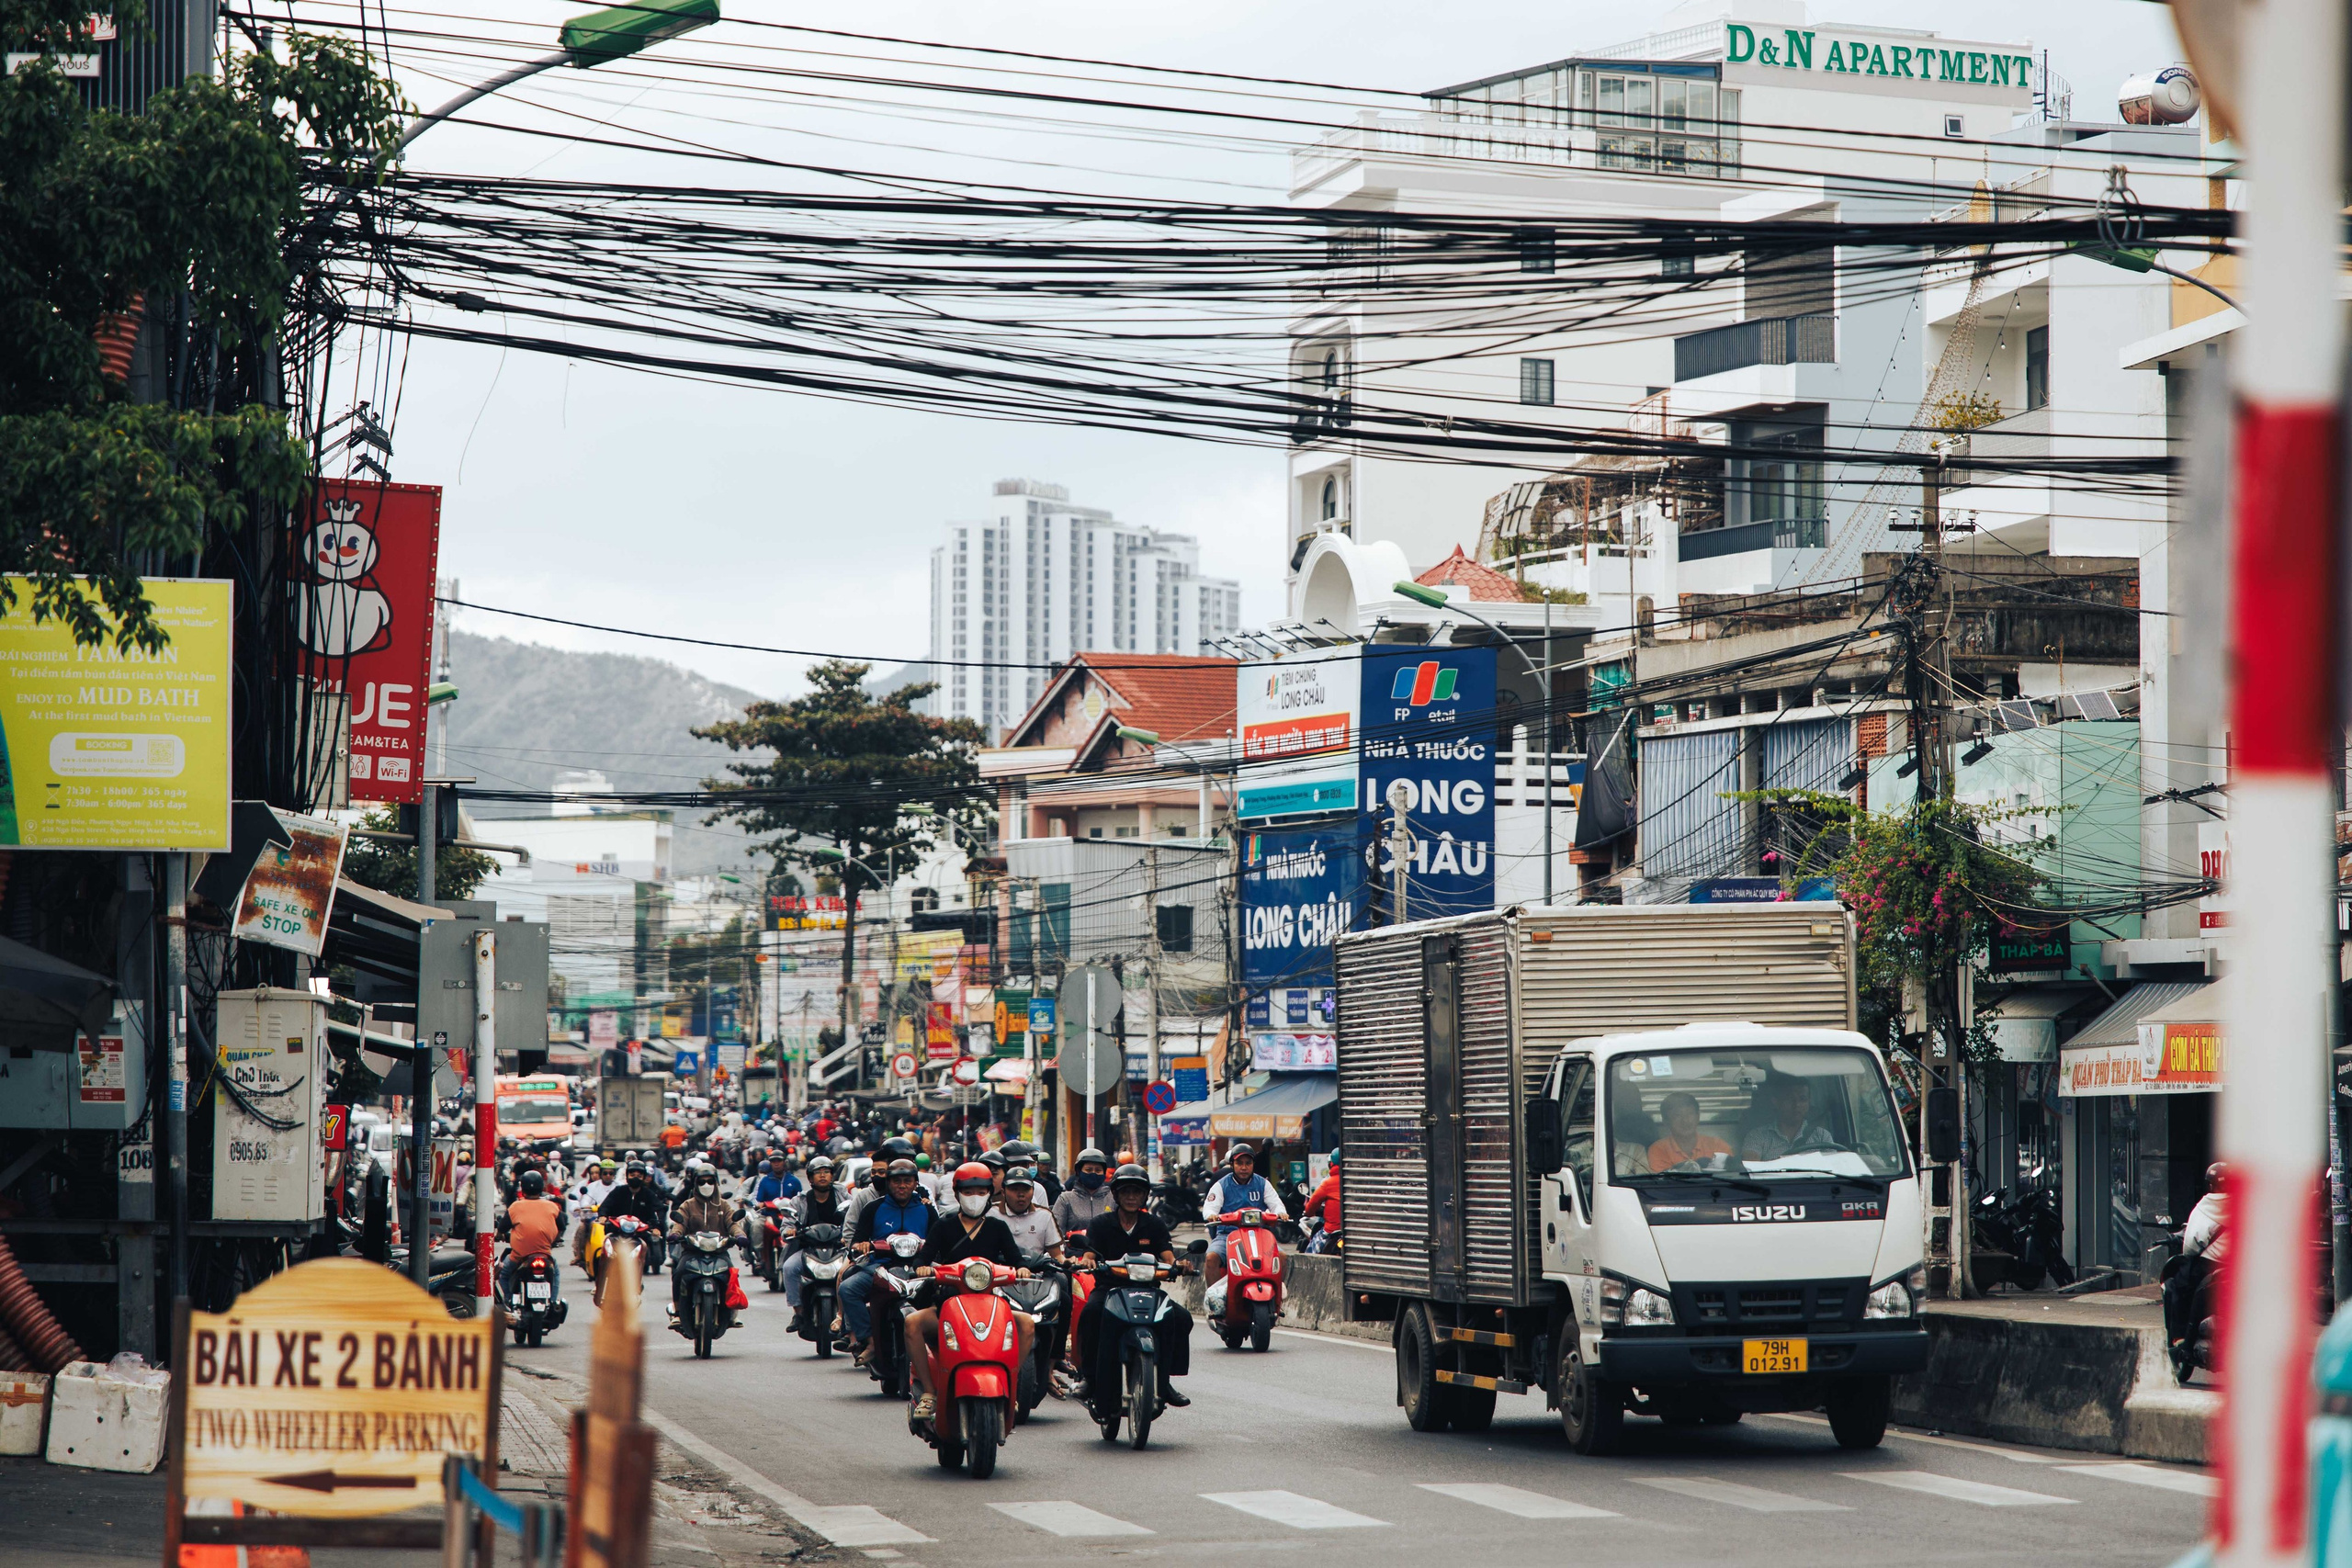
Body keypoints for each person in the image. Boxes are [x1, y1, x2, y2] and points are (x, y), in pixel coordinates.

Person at [903, 1162, 1034, 1421]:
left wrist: (1021, 1269)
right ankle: (929, 1392)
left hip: (990, 1306)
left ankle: (1011, 1386)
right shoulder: (943, 1226)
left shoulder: (997, 1227)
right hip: (947, 1303)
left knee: (1027, 1324)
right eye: (969, 1191)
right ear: (957, 1193)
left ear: (990, 1194)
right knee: (912, 1324)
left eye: (981, 1192)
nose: (975, 1197)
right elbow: (922, 1259)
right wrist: (922, 1268)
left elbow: (1016, 1259)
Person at [1072, 1165, 1192, 1406]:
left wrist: (1179, 1265)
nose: (1131, 1197)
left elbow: (1168, 1257)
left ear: (1144, 1196)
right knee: (1090, 1314)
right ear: (1116, 1195)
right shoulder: (1101, 1224)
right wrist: (1087, 1261)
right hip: (1109, 1290)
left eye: (1137, 1192)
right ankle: (1089, 1378)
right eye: (1125, 1191)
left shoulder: (1154, 1224)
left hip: (1149, 1290)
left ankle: (1164, 1380)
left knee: (1181, 1318)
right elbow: (1088, 1255)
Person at [841, 1159, 935, 1360]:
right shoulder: (873, 1208)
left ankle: (939, 1344)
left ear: (915, 1183)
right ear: (888, 1183)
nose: (902, 1186)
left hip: (919, 1269)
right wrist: (861, 1246)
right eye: (896, 1181)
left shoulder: (927, 1209)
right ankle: (870, 1341)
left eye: (907, 1181)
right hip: (879, 1267)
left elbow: (939, 1243)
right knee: (847, 1289)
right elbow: (856, 1241)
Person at [1203, 1144, 1289, 1287]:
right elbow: (1209, 1207)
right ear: (1232, 1164)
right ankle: (1214, 1297)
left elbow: (1276, 1204)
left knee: (1282, 1257)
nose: (1244, 1167)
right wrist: (1212, 1215)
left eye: (1248, 1163)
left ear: (1253, 1164)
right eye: (1239, 1163)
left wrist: (1281, 1213)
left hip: (1259, 1235)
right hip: (1228, 1235)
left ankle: (1276, 1296)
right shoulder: (1221, 1185)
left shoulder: (1263, 1184)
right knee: (1211, 1258)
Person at [781, 1156, 850, 1334]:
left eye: (826, 1172)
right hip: (808, 1249)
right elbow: (787, 1223)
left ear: (832, 1175)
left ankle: (850, 1316)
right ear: (810, 1178)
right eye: (818, 1173)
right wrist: (789, 1231)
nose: (822, 1176)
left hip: (839, 1248)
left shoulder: (843, 1196)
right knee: (789, 1268)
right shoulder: (800, 1200)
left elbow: (854, 1217)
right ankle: (798, 1312)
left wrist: (850, 1235)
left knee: (854, 1272)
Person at [665, 1165, 744, 1317]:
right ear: (695, 1184)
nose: (706, 1185)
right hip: (692, 1251)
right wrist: (675, 1234)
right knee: (679, 1273)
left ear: (716, 1183)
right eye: (702, 1182)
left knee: (732, 1274)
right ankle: (677, 1312)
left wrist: (740, 1236)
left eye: (710, 1181)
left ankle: (731, 1312)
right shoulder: (688, 1205)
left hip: (719, 1251)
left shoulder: (723, 1205)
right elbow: (680, 1223)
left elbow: (733, 1223)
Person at [2166, 1161, 2228, 1356]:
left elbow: (2191, 1245)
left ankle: (2181, 1339)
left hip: (2209, 1265)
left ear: (2210, 1184)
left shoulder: (2206, 1206)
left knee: (2179, 1286)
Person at [592, 1162, 663, 1305]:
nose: (635, 1177)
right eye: (632, 1174)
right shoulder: (619, 1191)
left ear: (644, 1177)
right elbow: (605, 1206)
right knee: (601, 1251)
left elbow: (657, 1211)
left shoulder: (648, 1194)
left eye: (639, 1175)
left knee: (644, 1248)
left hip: (638, 1235)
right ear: (627, 1175)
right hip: (615, 1232)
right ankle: (598, 1283)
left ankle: (637, 1285)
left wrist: (655, 1226)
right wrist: (603, 1216)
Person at [499, 1168, 565, 1303]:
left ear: (522, 1188)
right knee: (555, 1273)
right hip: (545, 1255)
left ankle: (509, 1300)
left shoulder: (515, 1207)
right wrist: (553, 1240)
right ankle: (553, 1302)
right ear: (541, 1188)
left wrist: (499, 1235)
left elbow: (502, 1229)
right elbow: (562, 1226)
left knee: (503, 1274)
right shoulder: (552, 1206)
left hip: (519, 1256)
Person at [1738, 1077, 1838, 1163]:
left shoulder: (1821, 1136)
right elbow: (1750, 1169)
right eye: (1790, 1099)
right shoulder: (1757, 1136)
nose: (1797, 1105)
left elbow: (1834, 1168)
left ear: (1809, 1102)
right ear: (1776, 1102)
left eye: (1802, 1099)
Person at [1648, 1092, 1733, 1172]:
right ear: (1666, 1122)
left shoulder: (1717, 1145)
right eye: (1677, 1115)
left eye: (1689, 1114)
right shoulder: (1658, 1150)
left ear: (1698, 1116)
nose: (1685, 1121)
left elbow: (1729, 1176)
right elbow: (1662, 1181)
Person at [997, 1168, 1061, 1259]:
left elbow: (1057, 1255)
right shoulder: (990, 1213)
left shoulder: (1045, 1216)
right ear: (1003, 1192)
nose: (1021, 1195)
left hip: (1036, 1267)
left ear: (1033, 1191)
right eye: (1015, 1189)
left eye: (1026, 1190)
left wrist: (1068, 1262)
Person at [1053, 1146, 1114, 1239]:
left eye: (1098, 1170)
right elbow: (1055, 1234)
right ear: (1078, 1172)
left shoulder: (1113, 1198)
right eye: (1088, 1170)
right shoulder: (1065, 1199)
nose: (1093, 1173)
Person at [572, 1158, 617, 1272]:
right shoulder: (592, 1186)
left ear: (614, 1174)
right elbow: (585, 1201)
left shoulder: (619, 1187)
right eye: (605, 1173)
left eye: (611, 1173)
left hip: (615, 1218)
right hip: (595, 1217)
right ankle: (579, 1255)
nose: (608, 1176)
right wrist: (586, 1206)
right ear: (601, 1174)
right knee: (582, 1227)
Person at [1301, 1151, 1342, 1244]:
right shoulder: (1356, 1181)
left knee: (1312, 1248)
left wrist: (1308, 1212)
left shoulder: (1327, 1183)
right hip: (1355, 1230)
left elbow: (1312, 1204)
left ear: (1331, 1164)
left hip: (1332, 1230)